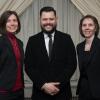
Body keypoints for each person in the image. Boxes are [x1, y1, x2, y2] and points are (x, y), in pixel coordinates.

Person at [25, 6, 77, 100]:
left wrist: (57, 86)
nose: (48, 22)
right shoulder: (32, 41)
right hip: (40, 94)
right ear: (40, 20)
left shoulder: (66, 39)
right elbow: (29, 66)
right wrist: (43, 85)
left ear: (56, 19)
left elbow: (72, 65)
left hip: (62, 93)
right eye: (44, 19)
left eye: (51, 19)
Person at [0, 10, 24, 100]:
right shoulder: (1, 42)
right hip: (4, 92)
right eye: (8, 21)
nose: (12, 23)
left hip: (19, 90)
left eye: (14, 20)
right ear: (3, 23)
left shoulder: (20, 43)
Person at [76, 15, 100, 100]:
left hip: (98, 91)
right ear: (81, 28)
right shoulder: (79, 46)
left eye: (90, 25)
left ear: (95, 28)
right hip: (83, 90)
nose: (87, 28)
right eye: (84, 25)